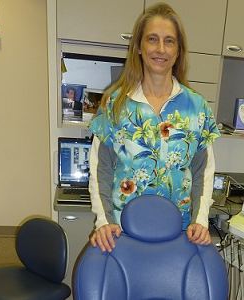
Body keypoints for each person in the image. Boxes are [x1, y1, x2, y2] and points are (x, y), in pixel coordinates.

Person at [88, 2, 220, 253]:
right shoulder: (115, 104)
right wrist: (103, 221)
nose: (161, 49)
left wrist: (200, 220)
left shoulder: (197, 107)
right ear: (138, 47)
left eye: (169, 41)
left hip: (179, 234)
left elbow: (203, 171)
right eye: (152, 39)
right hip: (122, 232)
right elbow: (100, 167)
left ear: (179, 50)